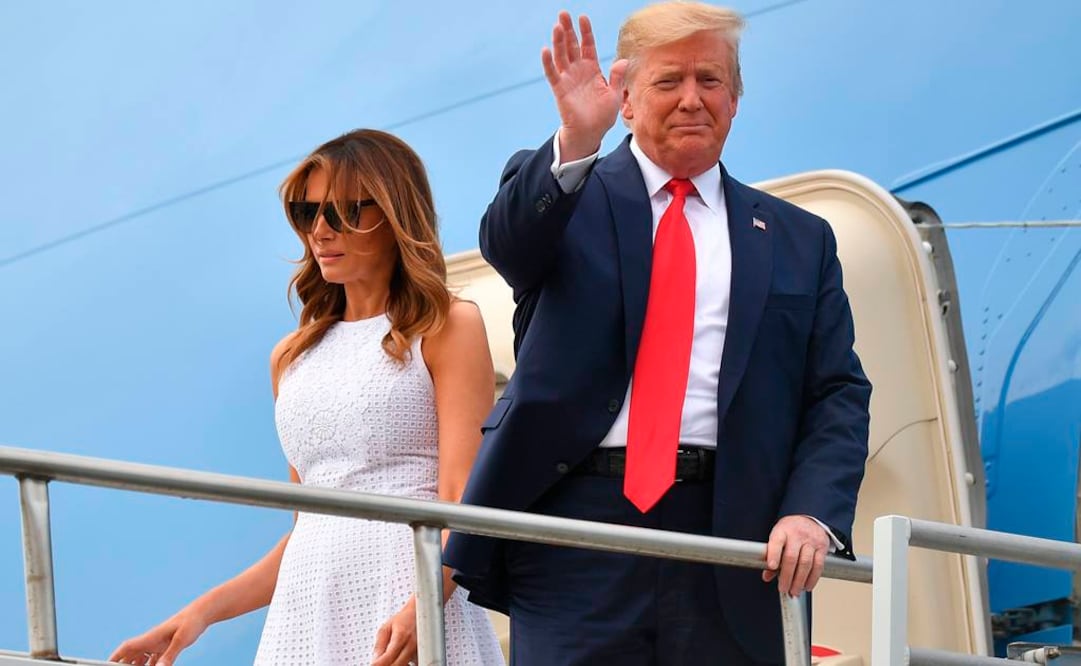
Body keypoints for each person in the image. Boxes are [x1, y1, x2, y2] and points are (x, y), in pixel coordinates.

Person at [444, 3, 872, 665]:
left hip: (736, 539)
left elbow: (835, 391)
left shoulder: (798, 239)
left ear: (735, 100)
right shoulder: (567, 194)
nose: (691, 99)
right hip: (574, 533)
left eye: (710, 80)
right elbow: (508, 246)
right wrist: (574, 141)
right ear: (625, 100)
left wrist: (810, 513)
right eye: (668, 81)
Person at [110, 129, 505, 666]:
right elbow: (307, 527)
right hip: (306, 609)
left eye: (343, 212)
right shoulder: (291, 357)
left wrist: (427, 604)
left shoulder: (446, 325)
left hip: (411, 595)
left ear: (393, 217)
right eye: (306, 213)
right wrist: (197, 615)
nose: (320, 231)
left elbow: (462, 494)